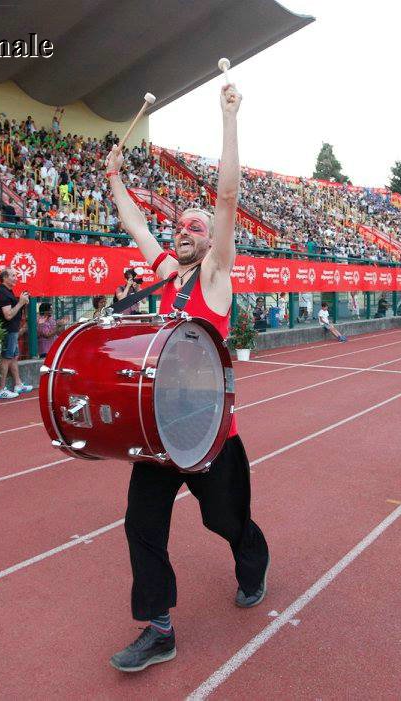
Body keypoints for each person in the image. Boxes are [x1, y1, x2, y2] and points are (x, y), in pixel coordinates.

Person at [104, 81, 269, 672]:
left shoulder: (216, 275)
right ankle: (159, 628)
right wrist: (116, 178)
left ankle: (253, 559)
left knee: (224, 520)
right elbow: (135, 228)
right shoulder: (168, 274)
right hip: (160, 428)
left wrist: (228, 117)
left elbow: (226, 196)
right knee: (140, 524)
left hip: (209, 430)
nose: (184, 229)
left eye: (194, 226)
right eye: (180, 225)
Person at [0, 268, 33, 400]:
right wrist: (20, 302)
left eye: (16, 275)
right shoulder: (1, 293)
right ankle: (0, 389)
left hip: (13, 330)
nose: (16, 278)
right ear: (4, 278)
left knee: (14, 357)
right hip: (8, 330)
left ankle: (18, 384)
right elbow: (8, 315)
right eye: (13, 276)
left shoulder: (8, 291)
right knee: (6, 358)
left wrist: (22, 302)